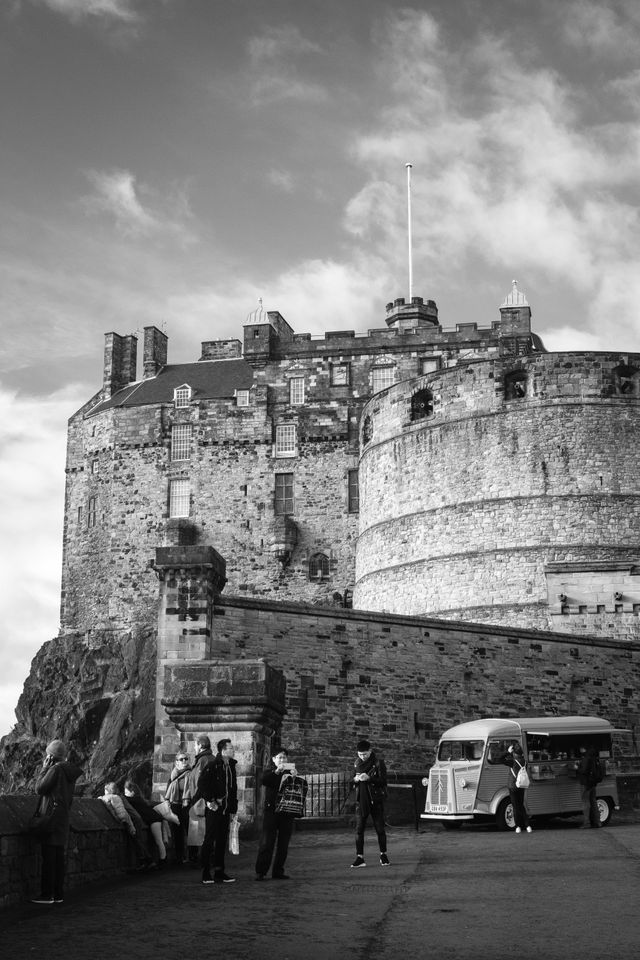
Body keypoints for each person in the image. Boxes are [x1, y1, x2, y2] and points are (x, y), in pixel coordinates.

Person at [30, 739, 83, 905]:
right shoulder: (69, 771)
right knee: (59, 858)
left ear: (51, 756)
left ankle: (47, 895)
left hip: (51, 817)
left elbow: (39, 788)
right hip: (62, 817)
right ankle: (58, 894)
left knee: (49, 858)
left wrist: (44, 768)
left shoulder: (56, 769)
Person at [194, 738, 238, 884]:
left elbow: (232, 789)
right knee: (209, 839)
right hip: (214, 809)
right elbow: (202, 784)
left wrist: (233, 809)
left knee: (221, 841)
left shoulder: (231, 766)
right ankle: (205, 871)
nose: (233, 750)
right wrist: (210, 800)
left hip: (225, 810)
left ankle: (219, 871)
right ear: (223, 750)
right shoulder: (213, 765)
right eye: (231, 748)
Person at [255, 748, 298, 880]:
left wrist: (295, 776)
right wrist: (276, 772)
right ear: (274, 760)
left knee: (283, 844)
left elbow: (297, 789)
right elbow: (263, 780)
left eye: (284, 758)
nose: (282, 760)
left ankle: (278, 871)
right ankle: (261, 871)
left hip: (286, 811)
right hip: (272, 811)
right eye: (279, 757)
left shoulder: (291, 772)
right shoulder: (269, 772)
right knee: (267, 842)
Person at [350, 739, 390, 868]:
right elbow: (351, 782)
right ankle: (360, 857)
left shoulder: (378, 763)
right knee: (359, 830)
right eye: (360, 754)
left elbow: (383, 781)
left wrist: (369, 778)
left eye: (365, 754)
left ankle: (383, 855)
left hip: (375, 800)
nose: (362, 757)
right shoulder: (356, 764)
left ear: (370, 751)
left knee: (380, 829)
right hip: (361, 801)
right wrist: (355, 779)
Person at [123, 780, 168, 866]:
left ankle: (163, 860)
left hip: (154, 820)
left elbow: (124, 798)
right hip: (154, 819)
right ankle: (161, 860)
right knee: (156, 841)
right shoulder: (139, 799)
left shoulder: (133, 799)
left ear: (132, 792)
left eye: (126, 792)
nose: (125, 794)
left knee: (158, 841)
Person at [165, 752, 191, 864]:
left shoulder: (191, 773)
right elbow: (168, 790)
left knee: (190, 831)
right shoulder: (173, 774)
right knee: (177, 832)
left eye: (186, 759)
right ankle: (179, 856)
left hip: (187, 805)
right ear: (176, 762)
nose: (184, 761)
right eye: (181, 759)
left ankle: (191, 856)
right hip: (175, 805)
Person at [502, 743, 532, 834]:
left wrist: (508, 752)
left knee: (515, 806)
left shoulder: (513, 762)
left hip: (513, 786)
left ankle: (518, 826)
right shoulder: (525, 761)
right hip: (522, 786)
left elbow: (500, 759)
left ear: (514, 753)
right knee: (521, 806)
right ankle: (527, 826)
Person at [575, 745, 602, 828]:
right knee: (593, 802)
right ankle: (598, 822)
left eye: (581, 748)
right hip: (592, 783)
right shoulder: (594, 757)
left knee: (585, 802)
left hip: (585, 783)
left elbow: (583, 770)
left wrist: (577, 767)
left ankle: (586, 823)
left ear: (584, 748)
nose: (580, 749)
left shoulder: (586, 758)